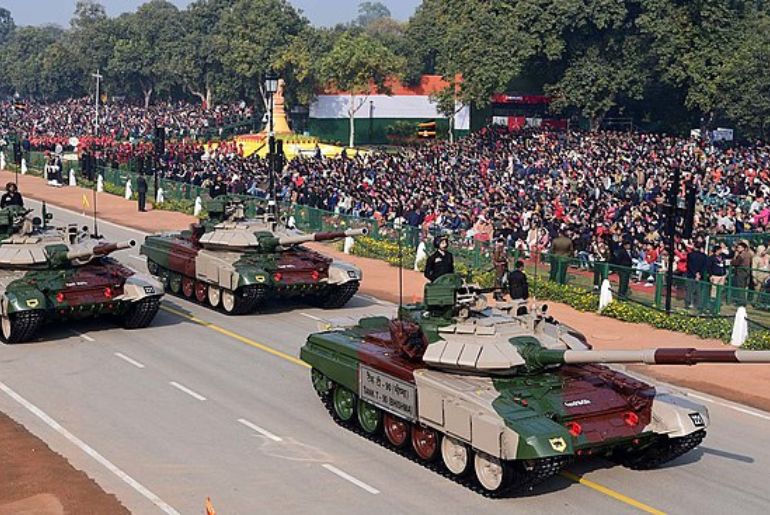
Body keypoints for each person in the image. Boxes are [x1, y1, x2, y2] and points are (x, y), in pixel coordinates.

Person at [685, 242, 708, 310]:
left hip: (691, 275)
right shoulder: (704, 256)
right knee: (699, 291)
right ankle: (698, 305)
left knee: (689, 290)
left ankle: (689, 304)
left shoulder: (690, 255)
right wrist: (699, 274)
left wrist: (695, 273)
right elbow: (704, 267)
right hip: (700, 276)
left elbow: (689, 265)